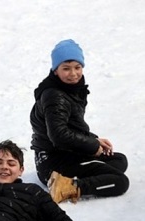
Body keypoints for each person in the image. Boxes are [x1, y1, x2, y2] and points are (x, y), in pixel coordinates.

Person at [29, 39, 129, 204]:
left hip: (65, 154)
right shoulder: (55, 95)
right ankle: (66, 187)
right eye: (66, 68)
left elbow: (70, 125)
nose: (73, 73)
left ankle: (77, 178)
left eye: (77, 67)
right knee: (120, 181)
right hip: (53, 163)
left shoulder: (70, 90)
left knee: (119, 160)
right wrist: (92, 145)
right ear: (55, 71)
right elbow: (59, 135)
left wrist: (93, 139)